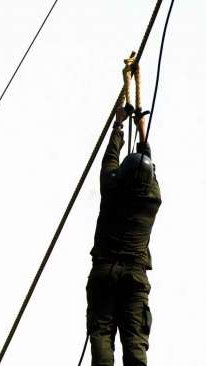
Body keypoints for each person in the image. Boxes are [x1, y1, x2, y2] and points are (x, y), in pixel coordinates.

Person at [86, 106, 162, 365]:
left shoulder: (111, 189)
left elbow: (110, 159)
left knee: (102, 333)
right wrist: (142, 129)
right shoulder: (153, 199)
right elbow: (148, 165)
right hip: (134, 278)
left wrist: (119, 126)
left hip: (105, 272)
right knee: (134, 341)